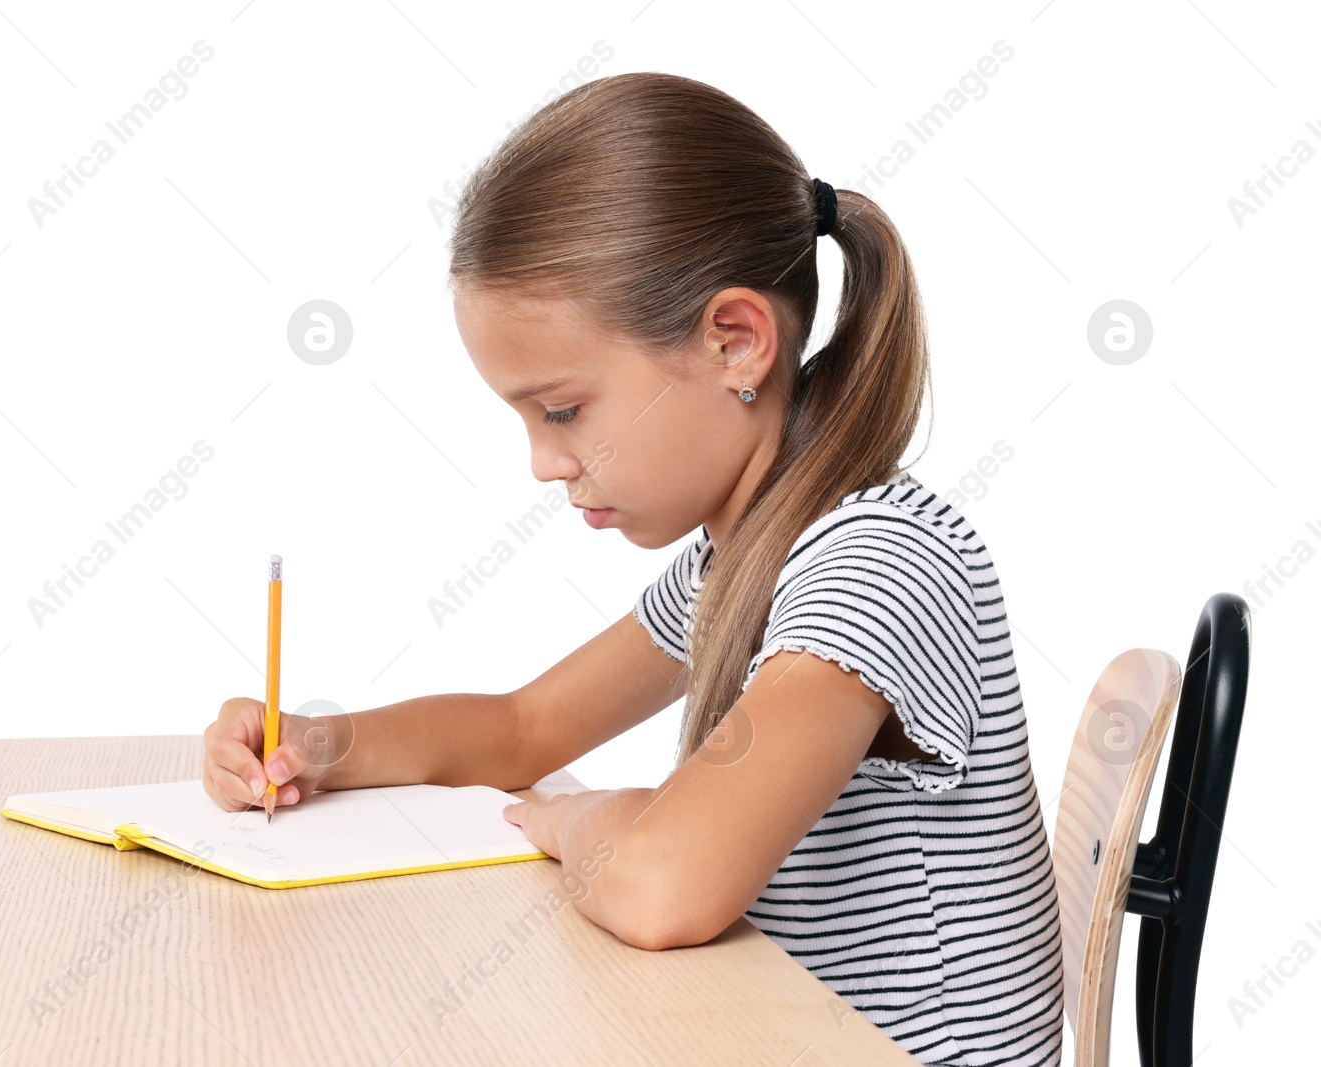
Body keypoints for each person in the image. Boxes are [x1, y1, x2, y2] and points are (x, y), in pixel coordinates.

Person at [203, 72, 1061, 1064]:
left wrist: (584, 819)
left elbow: (664, 884)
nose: (543, 461)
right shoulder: (749, 544)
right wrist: (317, 743)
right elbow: (525, 727)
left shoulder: (874, 564)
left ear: (735, 342)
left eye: (562, 410)